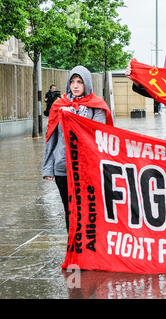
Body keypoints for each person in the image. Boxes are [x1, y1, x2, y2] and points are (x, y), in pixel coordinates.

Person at [42, 66, 113, 232]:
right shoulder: (59, 106)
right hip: (63, 167)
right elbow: (52, 137)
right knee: (70, 210)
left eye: (79, 82)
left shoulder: (97, 106)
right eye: (72, 81)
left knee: (88, 210)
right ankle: (73, 249)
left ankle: (88, 250)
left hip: (87, 168)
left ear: (86, 84)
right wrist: (48, 168)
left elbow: (97, 134)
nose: (75, 85)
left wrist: (73, 117)